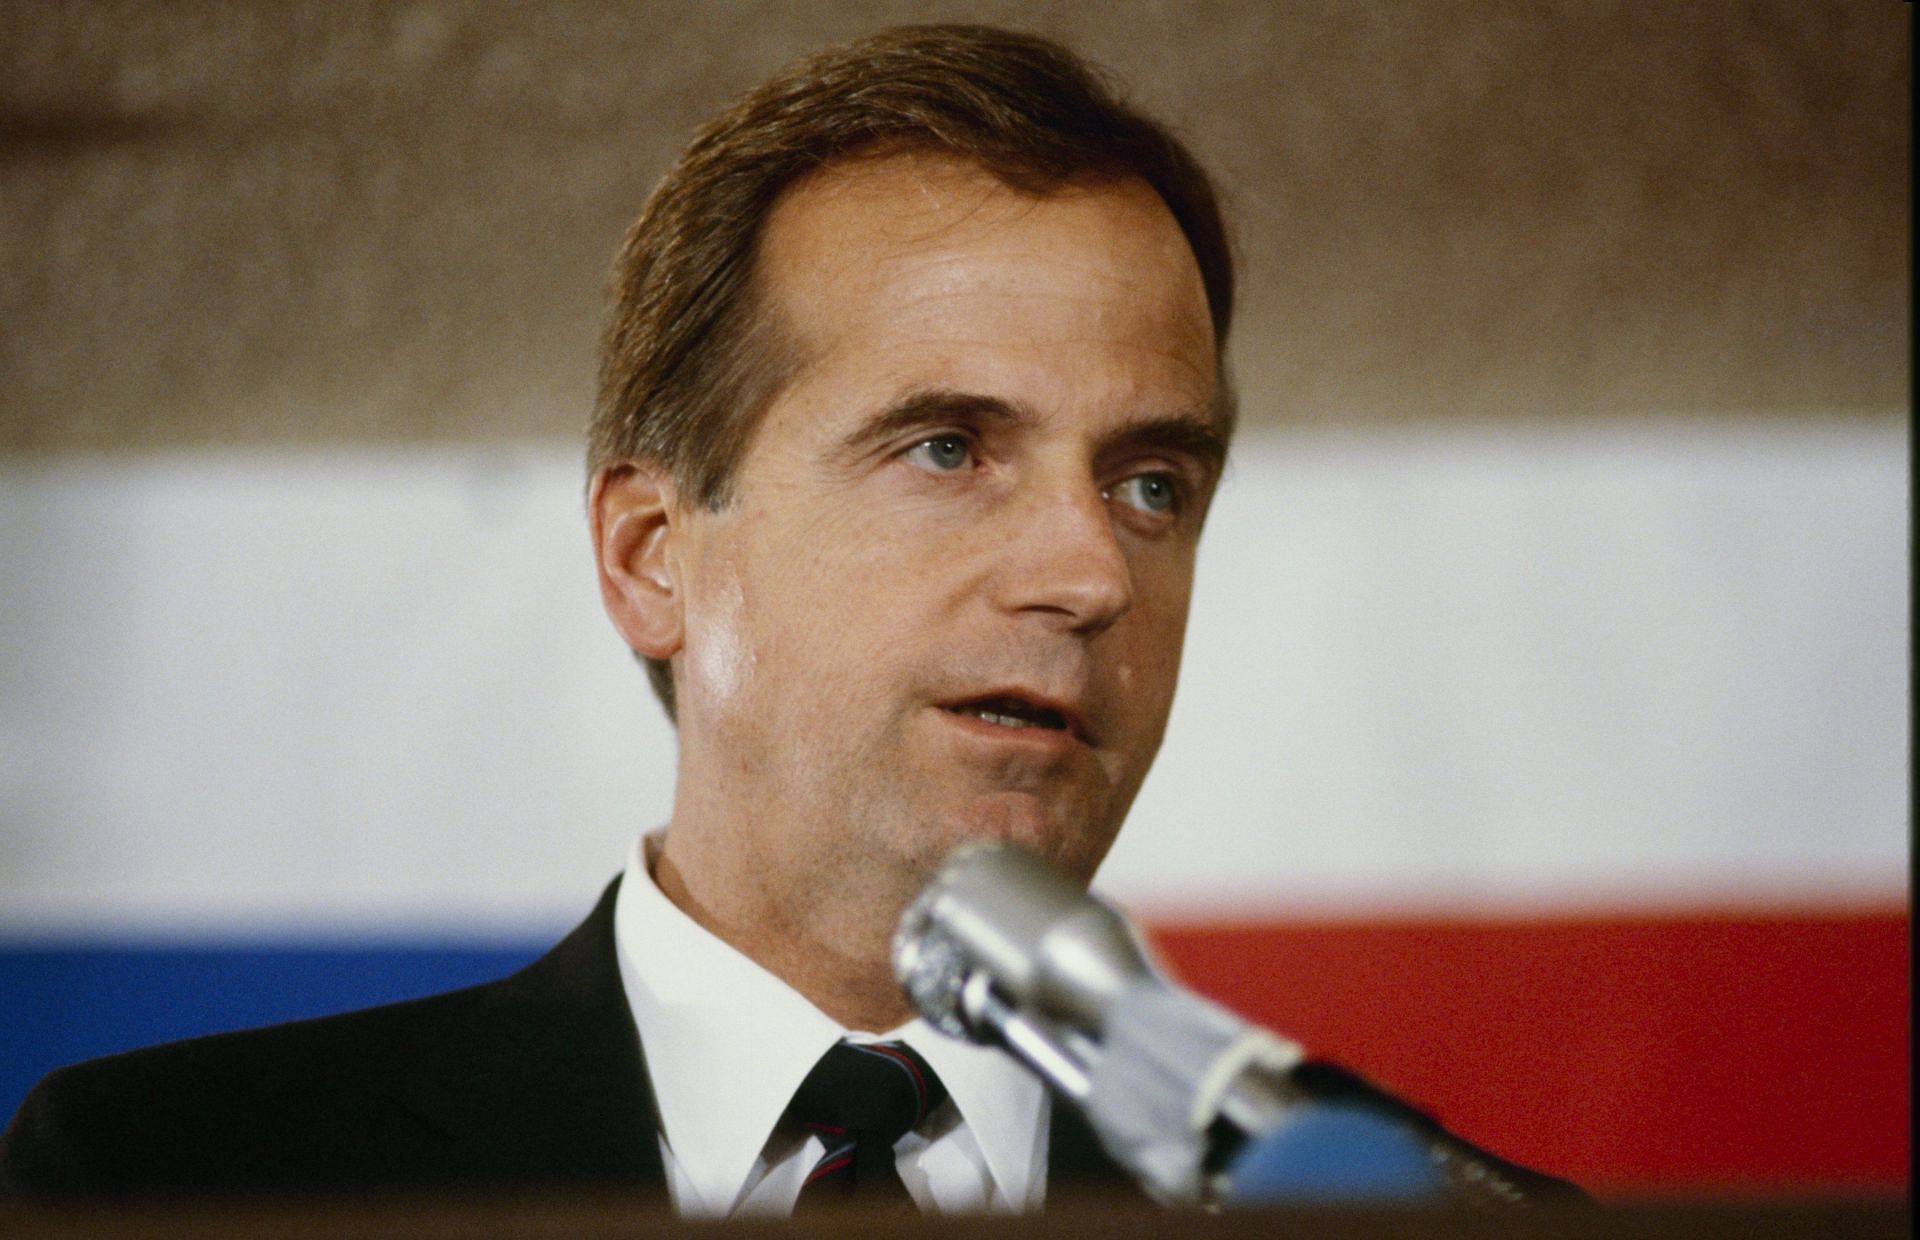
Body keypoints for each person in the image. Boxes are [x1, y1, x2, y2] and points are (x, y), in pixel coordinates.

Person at [1, 24, 1571, 1214]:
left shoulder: (1418, 1220)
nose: (1092, 574)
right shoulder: (175, 1184)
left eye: (1153, 484)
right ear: (648, 555)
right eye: (950, 448)